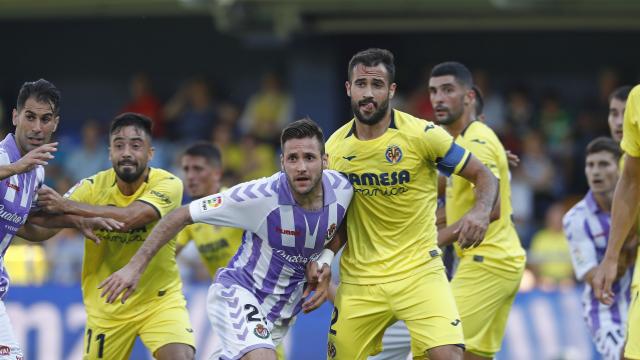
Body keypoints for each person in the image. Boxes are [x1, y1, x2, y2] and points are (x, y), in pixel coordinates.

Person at [98, 118, 353, 360]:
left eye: (309, 158)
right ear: (281, 162)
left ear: (325, 161)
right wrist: (134, 267)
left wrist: (327, 259)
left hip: (281, 313)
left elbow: (342, 224)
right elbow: (180, 215)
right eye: (292, 159)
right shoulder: (257, 196)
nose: (301, 167)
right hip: (239, 292)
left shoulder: (343, 190)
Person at [325, 48, 498, 360]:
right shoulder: (333, 151)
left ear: (391, 90)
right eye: (360, 84)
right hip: (361, 282)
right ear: (348, 88)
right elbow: (336, 222)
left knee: (450, 356)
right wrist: (323, 260)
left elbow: (484, 176)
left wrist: (481, 211)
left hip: (420, 273)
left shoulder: (423, 135)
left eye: (377, 85)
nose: (368, 93)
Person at [36, 113, 195, 360]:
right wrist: (12, 214)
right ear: (109, 153)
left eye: (136, 145)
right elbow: (43, 228)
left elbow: (131, 217)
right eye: (119, 145)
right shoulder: (91, 187)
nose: (127, 152)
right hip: (107, 306)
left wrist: (69, 208)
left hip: (159, 300)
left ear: (150, 153)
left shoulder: (169, 183)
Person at [0, 79, 121, 360]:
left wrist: (75, 221)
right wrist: (17, 167)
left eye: (45, 119)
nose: (37, 127)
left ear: (55, 123)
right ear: (15, 116)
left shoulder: (36, 173)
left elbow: (27, 227)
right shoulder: (8, 159)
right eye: (30, 117)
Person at [429, 61, 526, 360]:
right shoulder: (463, 144)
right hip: (497, 261)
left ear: (469, 97)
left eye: (447, 90)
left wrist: (431, 241)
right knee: (473, 356)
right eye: (433, 91)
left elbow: (490, 210)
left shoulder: (477, 141)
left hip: (487, 262)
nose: (438, 99)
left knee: (436, 346)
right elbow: (461, 204)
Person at [564, 137, 634, 360]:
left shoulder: (636, 206)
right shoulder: (575, 219)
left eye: (604, 164)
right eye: (590, 165)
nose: (595, 172)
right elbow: (595, 278)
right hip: (606, 311)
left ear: (621, 168)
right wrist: (628, 243)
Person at [593, 84, 640, 360]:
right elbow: (632, 181)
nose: (618, 121)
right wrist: (611, 257)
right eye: (613, 113)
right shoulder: (637, 98)